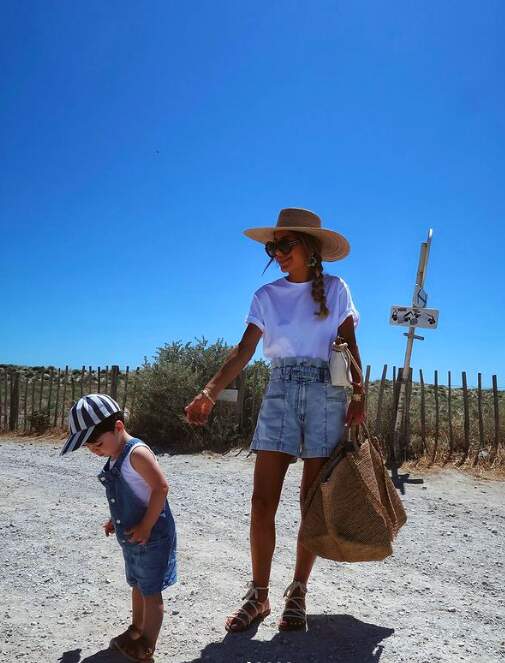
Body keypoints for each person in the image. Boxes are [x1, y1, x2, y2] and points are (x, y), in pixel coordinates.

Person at [185, 207, 365, 632]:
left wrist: (360, 397)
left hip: (326, 393)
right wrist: (209, 391)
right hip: (280, 391)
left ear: (310, 249)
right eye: (274, 246)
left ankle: (298, 592)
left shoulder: (336, 289)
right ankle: (260, 596)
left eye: (286, 245)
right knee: (262, 501)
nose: (278, 253)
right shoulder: (265, 296)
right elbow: (244, 350)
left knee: (310, 503)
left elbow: (352, 346)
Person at [60, 394, 177, 662]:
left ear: (119, 427)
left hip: (152, 536)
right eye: (89, 448)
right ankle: (136, 630)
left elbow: (160, 488)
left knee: (150, 591)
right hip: (134, 536)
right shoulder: (114, 456)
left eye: (97, 444)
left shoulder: (136, 454)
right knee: (137, 584)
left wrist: (146, 526)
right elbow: (132, 494)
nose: (95, 451)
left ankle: (147, 645)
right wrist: (116, 519)